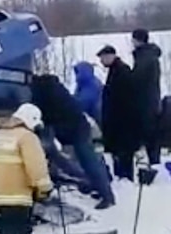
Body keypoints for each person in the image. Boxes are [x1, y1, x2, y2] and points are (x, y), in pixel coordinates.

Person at [30, 73, 115, 209]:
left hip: (76, 129)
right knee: (86, 160)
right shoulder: (51, 87)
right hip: (76, 126)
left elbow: (45, 112)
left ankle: (107, 196)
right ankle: (98, 188)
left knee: (88, 161)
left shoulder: (42, 92)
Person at [0, 103, 53, 234]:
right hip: (19, 192)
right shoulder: (27, 137)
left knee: (7, 224)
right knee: (20, 228)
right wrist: (45, 188)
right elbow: (36, 166)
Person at [97, 45, 138, 181]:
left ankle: (125, 178)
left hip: (122, 121)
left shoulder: (121, 71)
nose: (101, 61)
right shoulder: (116, 70)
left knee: (123, 152)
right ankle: (123, 177)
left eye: (103, 58)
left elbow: (123, 98)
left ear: (110, 56)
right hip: (120, 120)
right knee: (120, 152)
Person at [130, 28, 163, 166]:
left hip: (146, 100)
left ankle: (154, 162)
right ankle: (154, 160)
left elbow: (138, 78)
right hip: (151, 98)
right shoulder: (149, 55)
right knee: (151, 132)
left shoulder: (145, 57)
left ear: (137, 40)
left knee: (150, 132)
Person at [72, 61, 103, 126]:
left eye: (77, 72)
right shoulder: (81, 85)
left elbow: (82, 102)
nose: (76, 75)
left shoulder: (92, 84)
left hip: (101, 118)